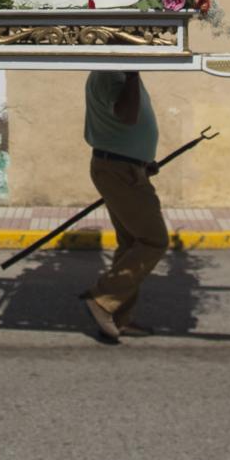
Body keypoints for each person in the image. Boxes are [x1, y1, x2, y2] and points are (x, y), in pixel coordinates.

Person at [80, 69, 167, 343]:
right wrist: (132, 73)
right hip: (119, 169)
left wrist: (143, 158)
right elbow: (127, 116)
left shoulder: (118, 72)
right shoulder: (112, 74)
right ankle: (103, 299)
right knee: (154, 240)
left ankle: (120, 316)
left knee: (132, 244)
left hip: (126, 166)